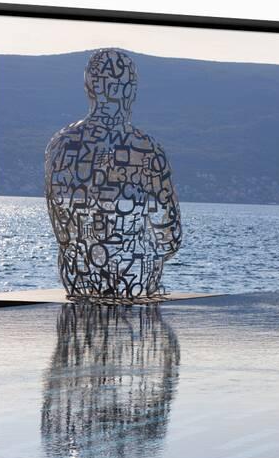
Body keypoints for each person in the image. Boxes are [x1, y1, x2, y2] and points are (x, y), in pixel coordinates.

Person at [45, 48, 182, 300]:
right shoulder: (147, 150)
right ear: (131, 92)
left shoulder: (59, 145)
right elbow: (170, 238)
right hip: (135, 281)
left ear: (89, 89)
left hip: (79, 277)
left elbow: (61, 231)